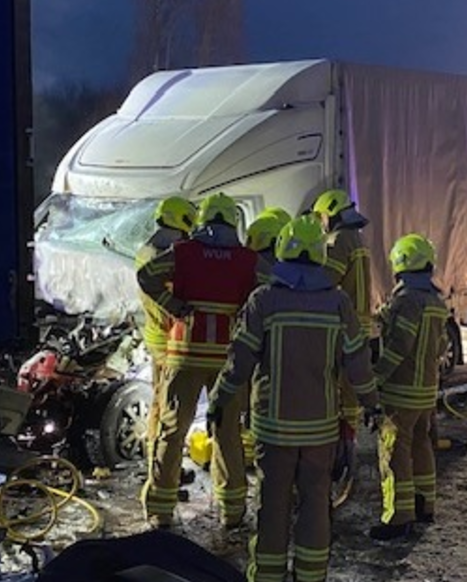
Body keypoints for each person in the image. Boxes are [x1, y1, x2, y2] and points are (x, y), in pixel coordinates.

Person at [208, 215, 380, 582]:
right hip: (319, 431)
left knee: (272, 505)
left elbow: (239, 361)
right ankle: (311, 575)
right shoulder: (338, 302)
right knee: (317, 505)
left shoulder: (263, 301)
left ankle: (268, 577)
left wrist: (220, 399)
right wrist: (372, 403)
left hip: (273, 428)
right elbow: (357, 362)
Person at [136, 193, 269, 529]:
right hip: (227, 359)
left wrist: (174, 304)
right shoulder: (247, 259)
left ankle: (160, 511)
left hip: (184, 355)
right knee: (228, 434)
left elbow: (146, 275)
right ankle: (233, 511)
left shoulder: (183, 253)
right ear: (232, 223)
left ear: (203, 221)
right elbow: (272, 287)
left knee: (172, 432)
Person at [369, 234, 449, 541]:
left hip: (401, 393)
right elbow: (440, 346)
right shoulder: (435, 302)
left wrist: (376, 377)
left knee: (394, 453)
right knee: (422, 445)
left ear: (400, 266)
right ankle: (425, 504)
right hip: (426, 393)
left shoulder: (406, 302)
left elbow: (399, 347)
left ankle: (398, 517)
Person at [136, 197, 197, 468]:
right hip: (168, 340)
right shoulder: (165, 254)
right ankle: (160, 466)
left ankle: (158, 463)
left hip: (156, 336)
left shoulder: (147, 249)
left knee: (162, 404)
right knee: (167, 408)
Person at [311, 189, 372, 433]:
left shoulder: (338, 240)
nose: (321, 223)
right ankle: (349, 438)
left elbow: (326, 280)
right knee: (351, 387)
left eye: (321, 217)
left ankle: (341, 443)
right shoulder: (357, 238)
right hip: (359, 323)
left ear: (332, 214)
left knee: (341, 387)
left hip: (342, 325)